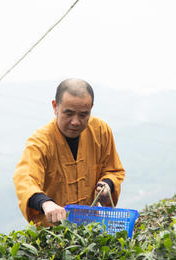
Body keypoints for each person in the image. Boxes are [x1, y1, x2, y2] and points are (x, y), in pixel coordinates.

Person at [13, 78, 125, 226]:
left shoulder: (100, 131)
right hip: (53, 232)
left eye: (83, 115)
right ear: (55, 107)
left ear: (91, 108)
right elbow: (24, 179)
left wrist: (107, 185)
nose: (75, 122)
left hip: (90, 227)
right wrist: (46, 203)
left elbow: (113, 169)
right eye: (69, 113)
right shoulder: (40, 142)